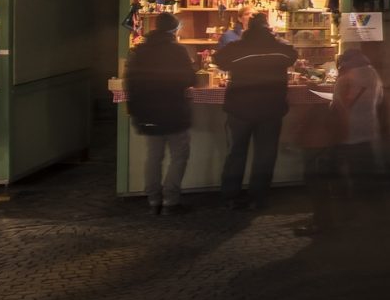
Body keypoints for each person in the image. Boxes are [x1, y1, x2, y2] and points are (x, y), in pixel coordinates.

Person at [212, 13, 298, 210]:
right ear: (268, 28)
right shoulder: (280, 49)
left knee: (236, 153)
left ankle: (230, 197)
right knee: (265, 155)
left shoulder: (237, 48)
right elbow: (293, 56)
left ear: (248, 28)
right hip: (271, 108)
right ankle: (258, 198)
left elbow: (218, 59)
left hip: (240, 108)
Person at [124, 14, 197, 215]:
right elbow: (190, 79)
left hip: (148, 112)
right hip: (174, 111)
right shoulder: (178, 51)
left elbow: (129, 81)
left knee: (153, 157)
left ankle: (153, 200)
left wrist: (135, 110)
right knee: (178, 156)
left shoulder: (140, 51)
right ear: (174, 30)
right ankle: (170, 201)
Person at [333, 43, 383, 201]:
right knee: (367, 159)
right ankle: (369, 193)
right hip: (369, 123)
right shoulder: (373, 73)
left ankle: (349, 194)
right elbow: (380, 98)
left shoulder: (346, 76)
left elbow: (338, 102)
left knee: (348, 160)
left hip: (348, 125)